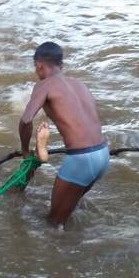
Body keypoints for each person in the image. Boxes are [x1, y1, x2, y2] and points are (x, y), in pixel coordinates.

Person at [19, 42, 108, 227]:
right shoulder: (80, 84)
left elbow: (26, 120)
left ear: (38, 65)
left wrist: (25, 151)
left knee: (52, 225)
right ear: (62, 65)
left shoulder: (44, 86)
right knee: (68, 210)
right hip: (103, 154)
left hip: (81, 159)